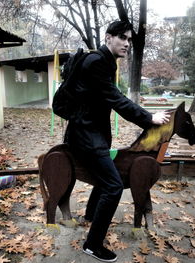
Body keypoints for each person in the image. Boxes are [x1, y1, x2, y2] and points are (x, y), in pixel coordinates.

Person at [65, 20, 170, 262]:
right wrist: (148, 118)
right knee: (113, 186)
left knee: (106, 178)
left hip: (90, 134)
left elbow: (111, 98)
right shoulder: (97, 63)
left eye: (129, 40)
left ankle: (91, 216)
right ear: (109, 37)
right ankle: (92, 245)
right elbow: (116, 99)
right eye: (122, 38)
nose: (127, 43)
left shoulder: (103, 61)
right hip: (86, 138)